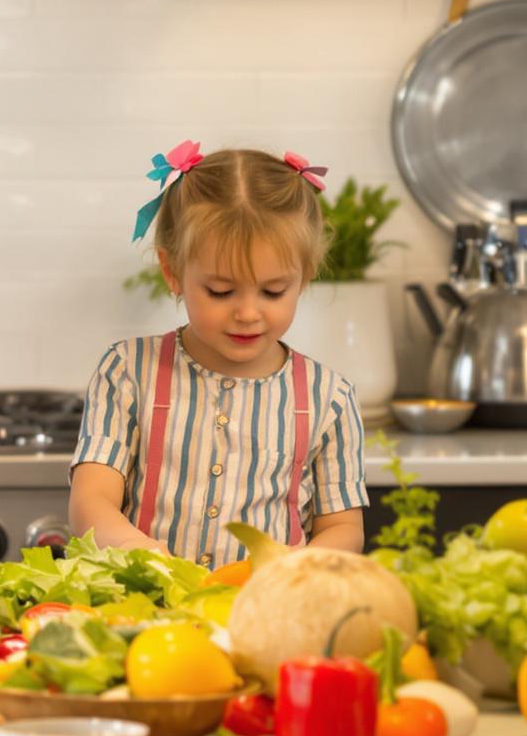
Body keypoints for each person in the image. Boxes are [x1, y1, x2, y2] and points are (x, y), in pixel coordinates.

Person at [69, 144, 368, 567]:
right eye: (221, 291)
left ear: (304, 276)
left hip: (266, 616)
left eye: (273, 291)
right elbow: (90, 501)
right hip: (145, 611)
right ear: (172, 271)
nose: (247, 313)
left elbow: (343, 528)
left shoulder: (330, 398)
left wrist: (292, 571)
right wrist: (148, 559)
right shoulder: (128, 371)